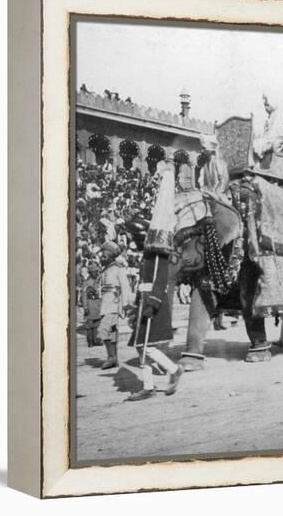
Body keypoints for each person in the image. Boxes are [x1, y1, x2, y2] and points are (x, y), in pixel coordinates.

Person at [127, 162, 183, 401]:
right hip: (144, 302)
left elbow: (161, 280)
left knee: (148, 346)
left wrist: (152, 303)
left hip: (153, 304)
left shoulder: (157, 253)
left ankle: (173, 369)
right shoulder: (147, 254)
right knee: (141, 346)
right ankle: (148, 386)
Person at [97, 241, 135, 369]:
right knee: (112, 332)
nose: (102, 256)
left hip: (113, 304)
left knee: (103, 329)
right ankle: (114, 358)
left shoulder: (119, 269)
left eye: (104, 254)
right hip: (104, 304)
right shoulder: (105, 269)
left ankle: (111, 357)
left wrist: (126, 304)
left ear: (110, 254)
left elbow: (125, 287)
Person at [198, 135, 230, 201]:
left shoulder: (218, 162)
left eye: (204, 148)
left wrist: (216, 194)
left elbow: (223, 181)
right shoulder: (205, 165)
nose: (202, 151)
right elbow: (203, 182)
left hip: (220, 196)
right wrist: (204, 191)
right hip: (209, 195)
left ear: (210, 148)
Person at [82, 261, 103, 348]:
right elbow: (84, 296)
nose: (97, 273)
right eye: (95, 272)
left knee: (96, 324)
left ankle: (95, 340)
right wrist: (85, 307)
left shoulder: (97, 281)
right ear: (90, 273)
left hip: (97, 305)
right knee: (89, 325)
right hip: (90, 305)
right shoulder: (87, 283)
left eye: (97, 271)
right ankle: (90, 342)